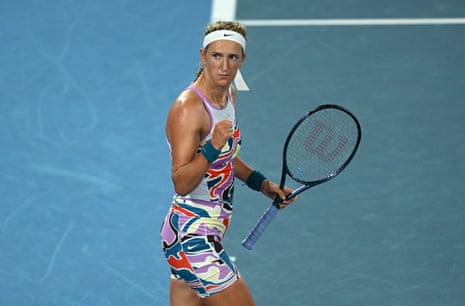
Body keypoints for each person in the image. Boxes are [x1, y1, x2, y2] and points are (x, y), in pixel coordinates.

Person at [160, 20, 296, 306]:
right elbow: (182, 182)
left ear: (242, 60)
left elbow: (226, 161)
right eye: (216, 56)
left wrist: (262, 184)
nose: (224, 66)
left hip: (203, 233)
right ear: (202, 56)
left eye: (232, 57)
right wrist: (211, 147)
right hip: (193, 237)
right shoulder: (189, 109)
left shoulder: (229, 94)